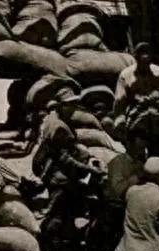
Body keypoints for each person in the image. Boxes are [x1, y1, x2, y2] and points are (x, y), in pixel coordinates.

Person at [33, 88, 105, 240]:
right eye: (69, 104)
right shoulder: (59, 127)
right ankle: (48, 242)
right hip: (61, 178)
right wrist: (91, 169)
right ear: (60, 106)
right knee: (57, 214)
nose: (73, 107)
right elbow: (66, 161)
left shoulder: (52, 119)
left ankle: (63, 240)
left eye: (74, 103)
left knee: (66, 213)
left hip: (55, 174)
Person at [113, 42, 159, 157]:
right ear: (136, 59)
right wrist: (120, 121)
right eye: (142, 62)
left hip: (157, 122)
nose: (145, 65)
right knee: (137, 158)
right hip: (136, 123)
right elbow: (120, 102)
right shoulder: (126, 75)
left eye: (148, 61)